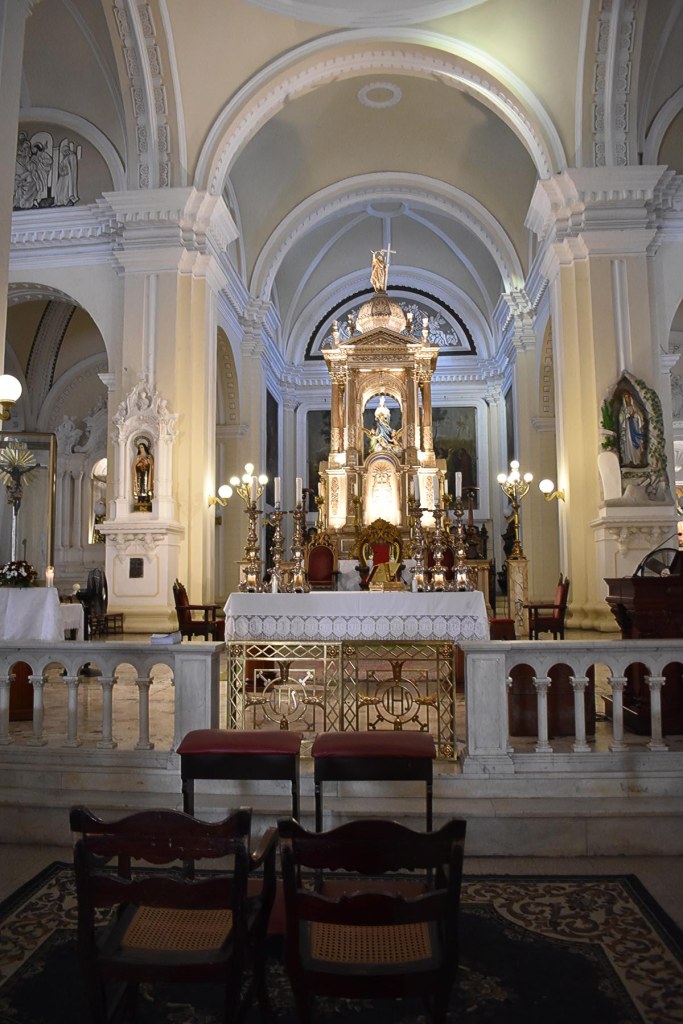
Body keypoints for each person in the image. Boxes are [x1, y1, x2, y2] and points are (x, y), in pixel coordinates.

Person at [618, 392, 646, 467]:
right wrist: (628, 416)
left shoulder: (635, 408)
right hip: (628, 430)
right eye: (626, 398)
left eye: (628, 397)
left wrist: (635, 416)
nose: (627, 399)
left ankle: (636, 460)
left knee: (637, 443)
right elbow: (621, 419)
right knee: (629, 442)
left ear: (630, 398)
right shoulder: (623, 409)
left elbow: (641, 417)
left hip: (635, 428)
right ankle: (628, 459)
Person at [133, 440, 154, 505]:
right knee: (140, 485)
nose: (141, 449)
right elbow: (134, 465)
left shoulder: (149, 456)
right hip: (139, 473)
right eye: (140, 448)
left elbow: (151, 465)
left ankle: (147, 498)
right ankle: (140, 498)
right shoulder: (138, 457)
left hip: (147, 473)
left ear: (144, 448)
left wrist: (147, 462)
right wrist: (138, 464)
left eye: (142, 447)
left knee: (146, 485)